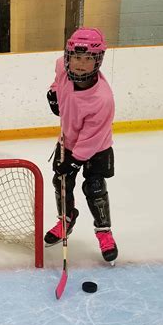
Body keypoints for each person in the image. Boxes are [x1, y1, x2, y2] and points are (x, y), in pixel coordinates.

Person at [44, 27, 118, 263]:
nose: (80, 64)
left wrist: (75, 161)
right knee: (61, 182)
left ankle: (104, 232)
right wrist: (54, 93)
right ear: (68, 56)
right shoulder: (61, 67)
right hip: (68, 140)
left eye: (88, 59)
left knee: (94, 188)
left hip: (96, 147)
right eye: (76, 57)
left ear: (98, 60)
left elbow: (92, 137)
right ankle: (66, 220)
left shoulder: (102, 99)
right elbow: (57, 80)